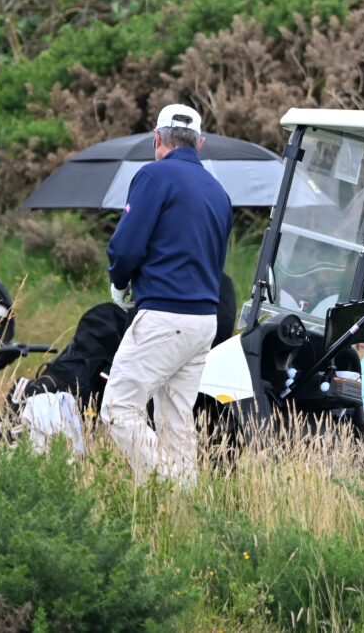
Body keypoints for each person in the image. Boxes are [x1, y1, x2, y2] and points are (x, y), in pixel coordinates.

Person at [100, 104, 233, 484]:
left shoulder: (153, 175)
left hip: (164, 315)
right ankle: (185, 505)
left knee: (118, 408)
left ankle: (166, 488)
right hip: (204, 320)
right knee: (176, 422)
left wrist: (120, 283)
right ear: (199, 143)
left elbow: (125, 248)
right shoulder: (219, 192)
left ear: (156, 138)